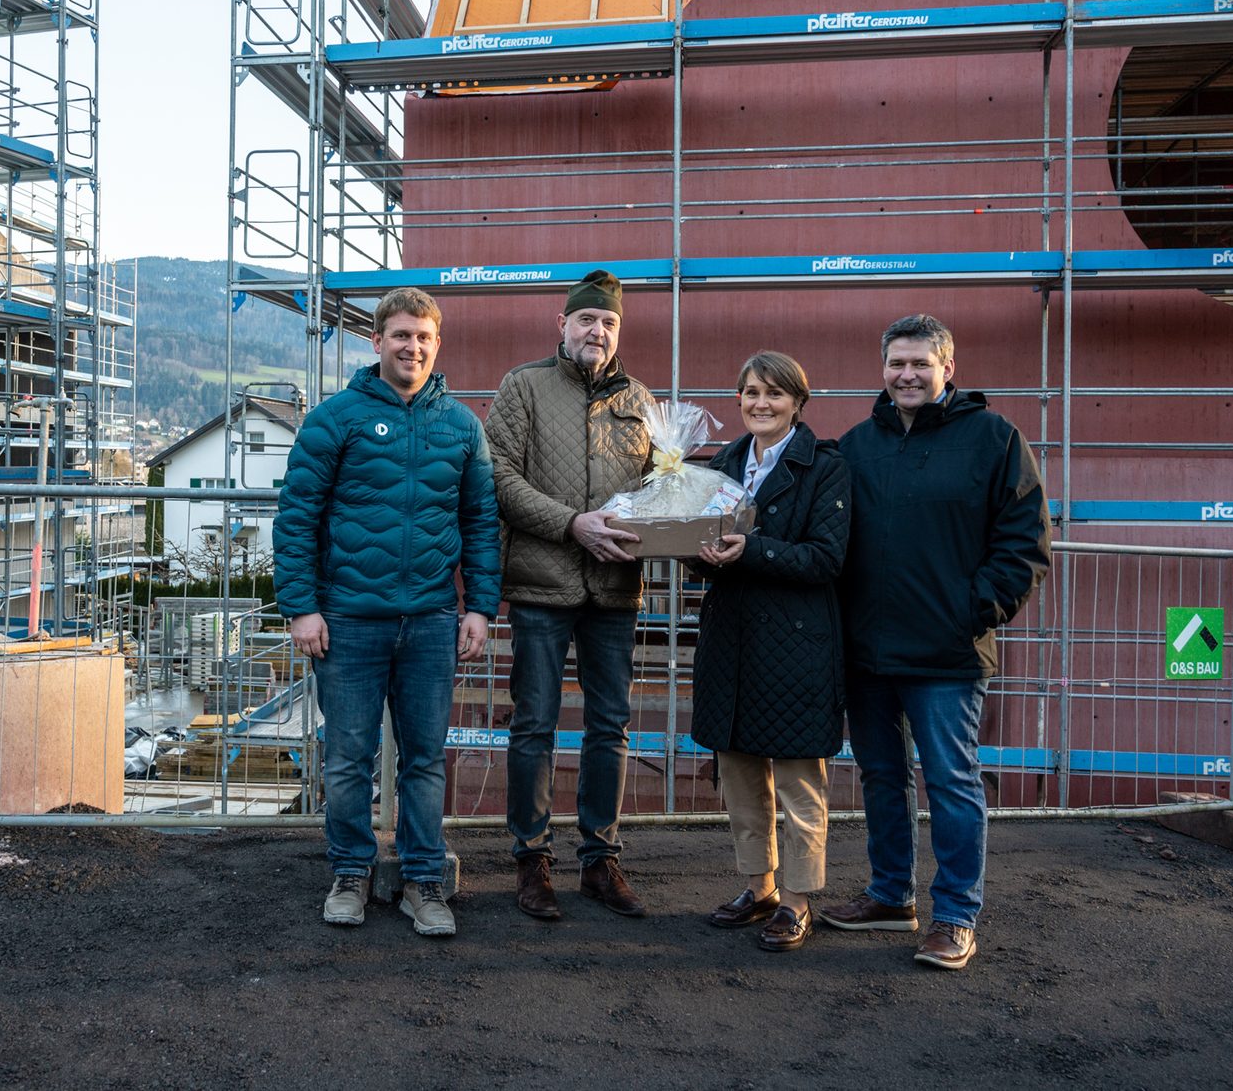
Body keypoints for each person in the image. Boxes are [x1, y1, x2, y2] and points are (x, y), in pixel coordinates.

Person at [823, 313, 1050, 970]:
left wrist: (972, 610)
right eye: (897, 362)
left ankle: (954, 914)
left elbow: (1024, 544)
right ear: (883, 368)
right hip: (867, 651)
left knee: (950, 780)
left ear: (949, 367)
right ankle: (891, 893)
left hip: (947, 652)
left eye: (921, 362)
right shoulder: (857, 445)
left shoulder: (994, 439)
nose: (908, 374)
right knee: (882, 776)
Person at [273, 287, 501, 937]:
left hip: (431, 620)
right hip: (348, 620)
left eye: (424, 336)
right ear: (377, 342)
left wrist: (479, 607)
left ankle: (424, 881)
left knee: (427, 757)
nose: (413, 346)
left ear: (437, 342)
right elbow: (297, 518)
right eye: (401, 335)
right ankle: (350, 871)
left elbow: (482, 523)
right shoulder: (336, 417)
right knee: (348, 757)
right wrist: (302, 607)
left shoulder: (461, 426)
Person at [483, 269, 655, 920]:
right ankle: (532, 860)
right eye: (587, 319)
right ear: (563, 324)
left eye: (608, 322)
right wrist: (571, 523)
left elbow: (653, 489)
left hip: (614, 587)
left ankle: (599, 859)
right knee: (534, 724)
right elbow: (497, 476)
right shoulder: (523, 387)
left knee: (610, 726)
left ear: (618, 331)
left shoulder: (639, 399)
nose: (597, 330)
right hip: (541, 585)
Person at [687, 351, 849, 952]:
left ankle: (800, 901)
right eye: (751, 392)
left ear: (797, 402)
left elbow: (827, 558)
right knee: (740, 773)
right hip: (732, 639)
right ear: (739, 399)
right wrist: (683, 542)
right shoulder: (723, 463)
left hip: (796, 641)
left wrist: (751, 551)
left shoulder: (825, 468)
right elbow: (700, 539)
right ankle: (760, 889)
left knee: (800, 782)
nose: (762, 403)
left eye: (775, 394)